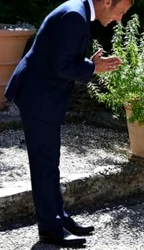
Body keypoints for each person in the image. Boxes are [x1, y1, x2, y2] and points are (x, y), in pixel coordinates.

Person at [4, 0, 133, 246]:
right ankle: (50, 229)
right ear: (107, 2)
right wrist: (92, 68)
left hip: (42, 95)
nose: (120, 18)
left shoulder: (78, 10)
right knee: (44, 165)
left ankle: (59, 218)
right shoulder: (75, 15)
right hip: (38, 97)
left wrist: (88, 64)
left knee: (50, 163)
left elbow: (60, 55)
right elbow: (62, 66)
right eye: (121, 11)